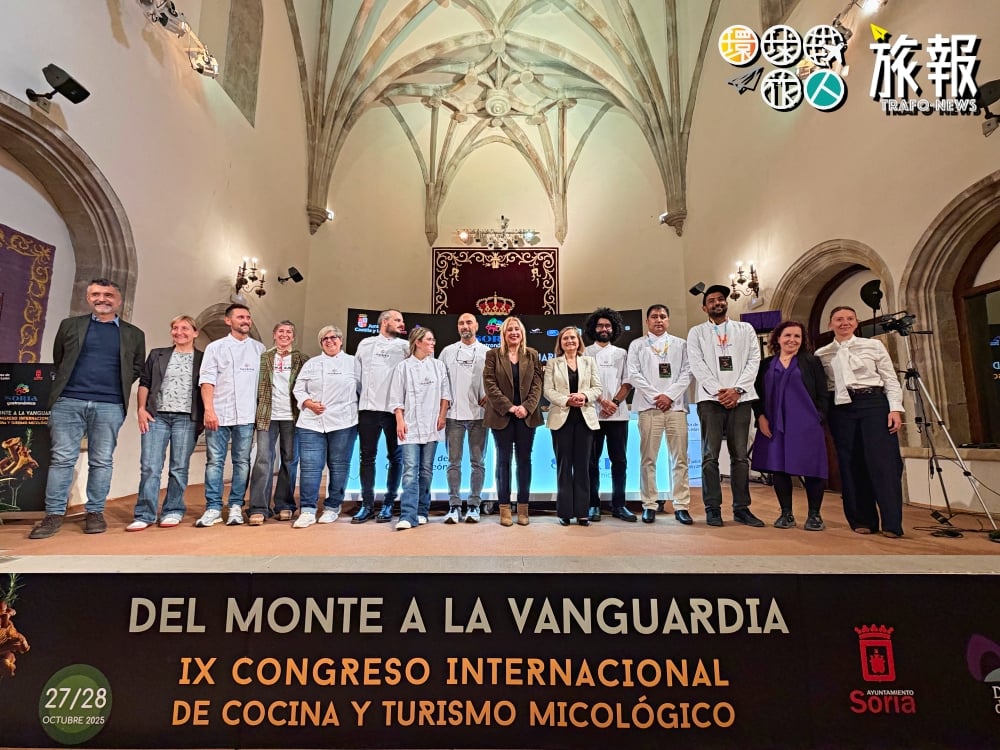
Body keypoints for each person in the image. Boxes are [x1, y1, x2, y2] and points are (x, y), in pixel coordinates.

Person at [29, 278, 146, 539]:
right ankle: (53, 515)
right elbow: (60, 359)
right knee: (62, 459)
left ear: (119, 300)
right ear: (88, 298)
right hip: (68, 401)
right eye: (96, 294)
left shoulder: (134, 334)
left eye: (108, 295)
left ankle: (95, 512)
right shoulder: (70, 326)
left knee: (102, 460)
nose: (101, 299)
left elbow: (135, 367)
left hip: (109, 404)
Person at [815, 306, 905, 538]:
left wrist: (895, 409)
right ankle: (862, 519)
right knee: (850, 463)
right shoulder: (822, 354)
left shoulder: (873, 346)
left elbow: (890, 379)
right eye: (838, 319)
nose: (844, 322)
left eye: (849, 318)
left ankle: (892, 523)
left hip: (873, 403)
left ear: (856, 322)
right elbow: (822, 387)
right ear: (830, 324)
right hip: (841, 408)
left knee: (884, 463)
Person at [687, 285, 764, 528]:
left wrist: (737, 389)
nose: (717, 303)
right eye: (712, 300)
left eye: (721, 299)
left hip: (740, 399)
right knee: (709, 456)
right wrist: (719, 391)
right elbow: (696, 364)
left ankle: (741, 508)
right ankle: (712, 508)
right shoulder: (696, 332)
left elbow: (754, 360)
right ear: (704, 307)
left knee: (740, 456)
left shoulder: (745, 329)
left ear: (726, 303)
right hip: (710, 400)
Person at [127, 315, 204, 531]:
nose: (179, 332)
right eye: (175, 328)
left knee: (179, 467)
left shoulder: (203, 358)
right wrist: (141, 409)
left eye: (185, 328)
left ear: (195, 333)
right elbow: (145, 382)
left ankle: (173, 510)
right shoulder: (157, 354)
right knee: (150, 466)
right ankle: (145, 513)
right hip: (156, 416)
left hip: (187, 418)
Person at [751, 321, 830, 531]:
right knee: (779, 468)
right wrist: (760, 417)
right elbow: (756, 394)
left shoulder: (811, 362)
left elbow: (823, 392)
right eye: (787, 335)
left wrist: (818, 417)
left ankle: (814, 515)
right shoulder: (765, 364)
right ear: (778, 338)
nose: (792, 340)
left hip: (806, 424)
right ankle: (786, 514)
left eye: (797, 336)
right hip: (774, 424)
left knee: (812, 468)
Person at [196, 303, 265, 527]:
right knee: (214, 461)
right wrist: (209, 410)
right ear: (228, 321)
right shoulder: (215, 348)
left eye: (248, 317)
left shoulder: (259, 349)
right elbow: (207, 381)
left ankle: (236, 505)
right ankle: (213, 507)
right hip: (219, 413)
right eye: (240, 317)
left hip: (246, 416)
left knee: (242, 462)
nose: (246, 321)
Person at [627, 304, 693, 524]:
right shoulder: (637, 345)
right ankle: (649, 504)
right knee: (648, 459)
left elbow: (687, 372)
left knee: (680, 459)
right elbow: (633, 374)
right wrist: (657, 396)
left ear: (668, 320)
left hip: (676, 408)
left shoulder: (681, 344)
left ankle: (681, 505)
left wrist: (670, 396)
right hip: (649, 408)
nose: (658, 320)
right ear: (647, 321)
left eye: (663, 316)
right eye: (654, 316)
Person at [291, 326, 359, 528]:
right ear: (321, 344)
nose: (329, 341)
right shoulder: (312, 363)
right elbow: (298, 388)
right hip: (311, 422)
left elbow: (363, 390)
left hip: (344, 422)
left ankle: (332, 507)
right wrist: (308, 403)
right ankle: (307, 510)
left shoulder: (353, 362)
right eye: (324, 339)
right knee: (310, 467)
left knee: (339, 466)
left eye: (333, 337)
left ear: (341, 340)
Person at [483, 316, 543, 527]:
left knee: (524, 462)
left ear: (522, 333)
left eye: (517, 329)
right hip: (501, 416)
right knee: (503, 462)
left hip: (527, 416)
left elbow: (537, 384)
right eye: (509, 329)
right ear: (503, 334)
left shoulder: (532, 354)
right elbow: (489, 384)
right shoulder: (493, 355)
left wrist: (526, 407)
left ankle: (523, 508)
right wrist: (509, 407)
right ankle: (504, 509)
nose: (514, 333)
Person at [389, 327, 451, 530]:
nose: (433, 343)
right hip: (410, 427)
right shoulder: (403, 367)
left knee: (426, 471)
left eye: (433, 340)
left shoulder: (438, 366)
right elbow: (396, 397)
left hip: (433, 425)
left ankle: (422, 511)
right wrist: (400, 420)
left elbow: (445, 395)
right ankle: (407, 515)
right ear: (418, 342)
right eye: (429, 340)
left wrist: (442, 416)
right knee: (410, 471)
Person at [353, 309, 409, 523]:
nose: (401, 324)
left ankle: (388, 504)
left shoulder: (405, 347)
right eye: (397, 320)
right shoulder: (365, 344)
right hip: (368, 409)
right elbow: (357, 377)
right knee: (367, 457)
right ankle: (367, 504)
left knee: (396, 458)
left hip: (394, 411)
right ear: (384, 321)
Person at [248, 321, 305, 524]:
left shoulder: (302, 359)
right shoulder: (263, 358)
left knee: (290, 460)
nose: (284, 334)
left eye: (289, 331)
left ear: (293, 336)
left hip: (292, 416)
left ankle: (285, 504)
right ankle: (258, 507)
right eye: (281, 331)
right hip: (267, 415)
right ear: (274, 334)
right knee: (263, 459)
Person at [545, 326, 603, 526]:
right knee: (564, 466)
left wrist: (584, 396)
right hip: (561, 419)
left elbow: (597, 388)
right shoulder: (553, 363)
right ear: (560, 343)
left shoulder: (589, 361)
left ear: (579, 342)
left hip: (585, 419)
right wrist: (567, 400)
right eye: (565, 338)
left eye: (573, 338)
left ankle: (582, 512)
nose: (569, 341)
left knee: (583, 467)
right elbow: (548, 390)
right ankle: (565, 512)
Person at [584, 308, 636, 522]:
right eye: (600, 326)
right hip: (592, 415)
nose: (604, 329)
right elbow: (584, 383)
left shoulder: (622, 353)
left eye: (608, 325)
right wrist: (601, 401)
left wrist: (613, 403)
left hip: (618, 415)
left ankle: (619, 504)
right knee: (591, 462)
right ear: (593, 328)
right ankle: (592, 505)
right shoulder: (585, 352)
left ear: (614, 329)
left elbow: (628, 382)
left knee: (620, 461)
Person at [438, 313, 490, 523]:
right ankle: (454, 506)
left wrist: (490, 395)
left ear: (477, 326)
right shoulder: (447, 352)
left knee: (478, 462)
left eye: (469, 322)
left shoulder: (487, 352)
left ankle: (474, 506)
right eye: (461, 323)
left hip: (479, 416)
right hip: (453, 416)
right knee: (453, 463)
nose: (465, 326)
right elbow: (440, 381)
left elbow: (495, 380)